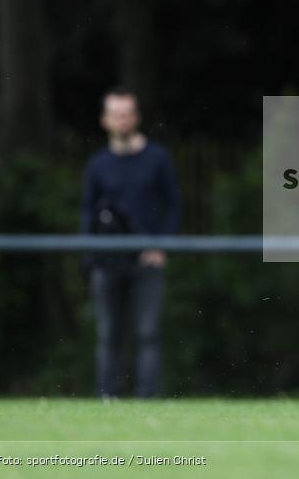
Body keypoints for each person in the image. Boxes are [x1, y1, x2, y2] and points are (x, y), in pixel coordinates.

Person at [81, 88, 180, 398]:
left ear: (136, 117)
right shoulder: (97, 165)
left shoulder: (158, 159)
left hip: (146, 261)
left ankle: (146, 400)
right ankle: (107, 397)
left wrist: (162, 247)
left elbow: (174, 205)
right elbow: (87, 214)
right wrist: (91, 256)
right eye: (116, 114)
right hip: (107, 262)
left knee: (148, 333)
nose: (122, 120)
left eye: (127, 114)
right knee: (109, 335)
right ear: (105, 120)